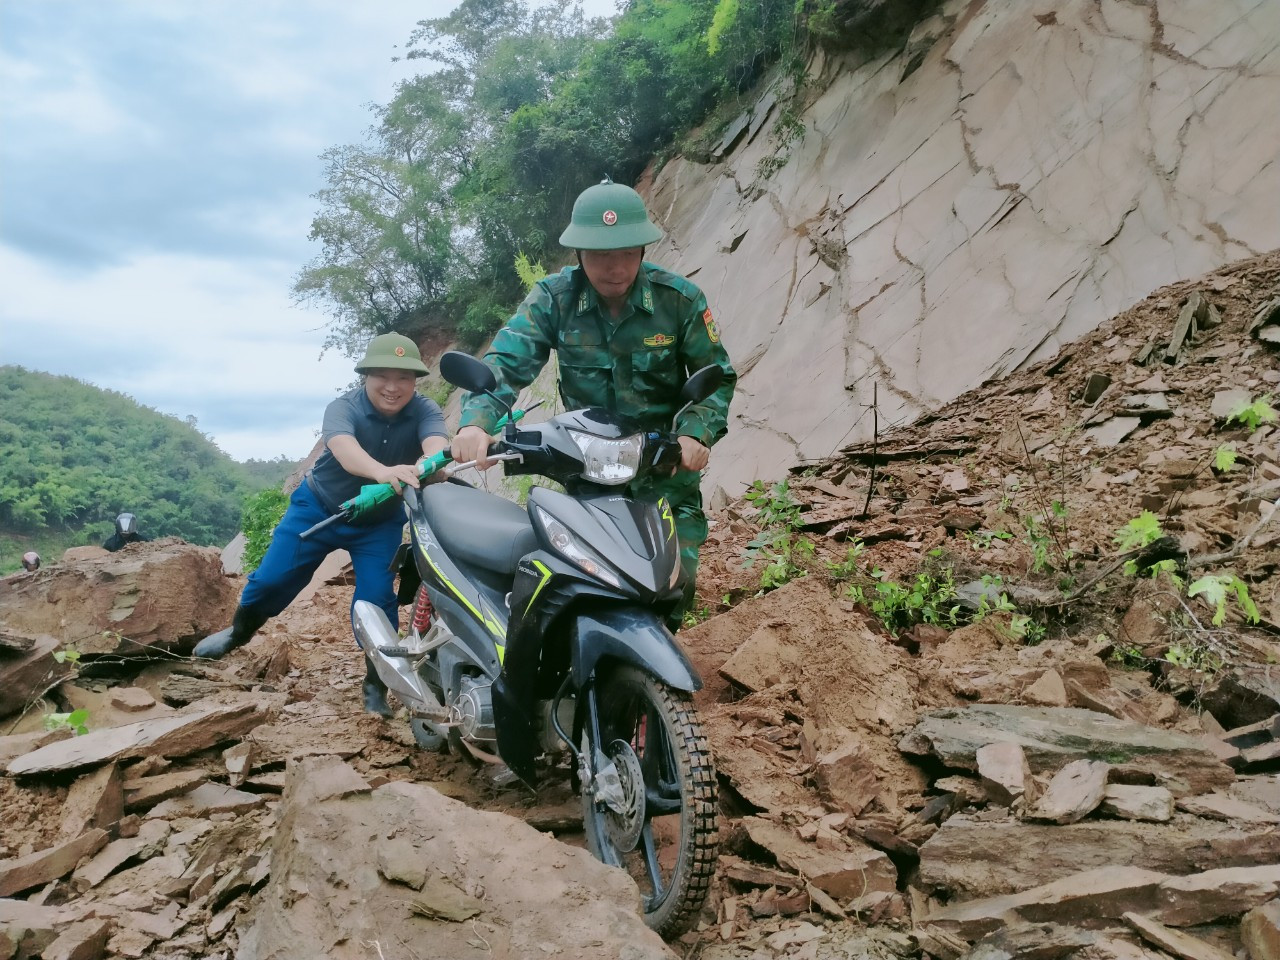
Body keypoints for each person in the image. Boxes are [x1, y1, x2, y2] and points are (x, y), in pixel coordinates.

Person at [451, 179, 736, 629]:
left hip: (663, 471)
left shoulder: (678, 301)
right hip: (587, 475)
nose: (615, 267)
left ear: (643, 249)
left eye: (626, 252)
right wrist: (476, 424)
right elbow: (508, 362)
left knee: (673, 590)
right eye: (601, 254)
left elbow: (718, 378)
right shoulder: (553, 298)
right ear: (579, 253)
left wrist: (694, 433)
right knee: (580, 585)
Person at [194, 332, 450, 717]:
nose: (394, 387)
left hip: (377, 523)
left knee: (377, 599)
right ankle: (238, 632)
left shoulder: (425, 410)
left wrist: (433, 462)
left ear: (415, 381)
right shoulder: (342, 407)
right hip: (319, 507)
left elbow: (435, 443)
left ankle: (375, 683)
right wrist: (383, 472)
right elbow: (344, 449)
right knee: (271, 579)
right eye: (383, 376)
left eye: (404, 378)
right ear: (365, 376)